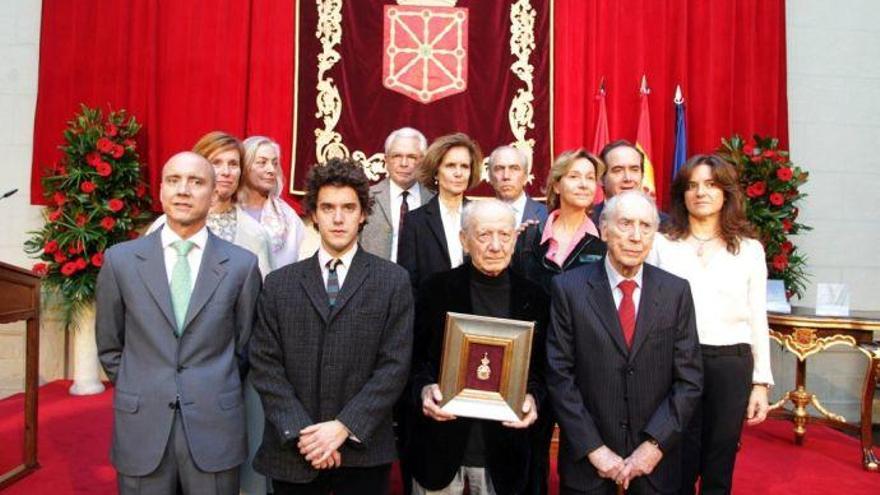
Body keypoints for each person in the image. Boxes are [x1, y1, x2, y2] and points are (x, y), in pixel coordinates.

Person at [96, 152, 262, 495]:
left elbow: (246, 347)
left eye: (196, 182)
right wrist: (142, 384)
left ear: (214, 192)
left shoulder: (241, 267)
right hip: (142, 425)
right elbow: (111, 346)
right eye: (174, 180)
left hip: (214, 426)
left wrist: (210, 385)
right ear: (160, 191)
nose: (183, 190)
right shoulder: (121, 261)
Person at [249, 158, 414, 495]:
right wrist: (304, 433)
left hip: (362, 451)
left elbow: (394, 366)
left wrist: (343, 427)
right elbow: (266, 364)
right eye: (327, 208)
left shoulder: (393, 280)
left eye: (348, 208)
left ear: (363, 213)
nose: (338, 218)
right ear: (312, 214)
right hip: (294, 450)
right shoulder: (280, 284)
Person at [546, 191, 702, 495]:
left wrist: (654, 445)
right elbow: (559, 376)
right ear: (603, 230)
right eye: (625, 224)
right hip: (587, 465)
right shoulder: (569, 289)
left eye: (645, 226)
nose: (635, 236)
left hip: (657, 465)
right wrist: (595, 449)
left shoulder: (676, 292)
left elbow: (689, 381)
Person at [408, 199, 550, 495]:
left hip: (505, 457)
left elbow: (543, 372)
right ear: (464, 240)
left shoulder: (535, 298)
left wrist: (533, 399)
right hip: (440, 450)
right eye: (484, 235)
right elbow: (413, 361)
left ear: (514, 239)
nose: (495, 246)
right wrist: (423, 390)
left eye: (504, 235)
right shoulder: (435, 290)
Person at [649, 154, 772, 495]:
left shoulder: (749, 249)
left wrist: (760, 382)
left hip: (729, 363)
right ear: (681, 194)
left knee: (719, 460)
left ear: (726, 193)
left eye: (711, 184)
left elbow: (757, 315)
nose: (700, 193)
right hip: (673, 363)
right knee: (676, 457)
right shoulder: (661, 244)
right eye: (692, 186)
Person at [511, 148, 607, 495]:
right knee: (528, 455)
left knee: (580, 456)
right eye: (574, 176)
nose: (583, 184)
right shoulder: (528, 237)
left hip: (583, 365)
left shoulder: (605, 243)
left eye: (590, 178)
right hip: (532, 363)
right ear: (557, 183)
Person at [148, 131, 272, 275]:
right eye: (216, 163)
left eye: (233, 164)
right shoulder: (163, 225)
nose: (226, 172)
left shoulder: (254, 234)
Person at [398, 132, 482, 293]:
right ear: (436, 172)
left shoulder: (482, 216)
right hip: (431, 312)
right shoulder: (415, 221)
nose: (458, 173)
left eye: (464, 166)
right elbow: (408, 281)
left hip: (476, 313)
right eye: (451, 166)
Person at [360, 127, 435, 261]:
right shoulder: (365, 197)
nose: (404, 163)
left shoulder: (434, 199)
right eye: (397, 156)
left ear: (423, 161)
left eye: (412, 157)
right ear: (386, 160)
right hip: (375, 279)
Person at [238, 136, 306, 268]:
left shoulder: (288, 217)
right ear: (244, 166)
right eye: (262, 163)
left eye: (274, 163)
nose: (271, 170)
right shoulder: (226, 209)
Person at [592, 140, 668, 226]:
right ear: (601, 178)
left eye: (634, 170)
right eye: (618, 170)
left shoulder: (665, 226)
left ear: (642, 175)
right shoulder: (587, 222)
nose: (628, 178)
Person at [486, 145, 548, 225]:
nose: (506, 176)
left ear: (525, 176)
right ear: (490, 176)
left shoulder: (546, 215)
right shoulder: (477, 216)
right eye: (499, 169)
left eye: (514, 168)